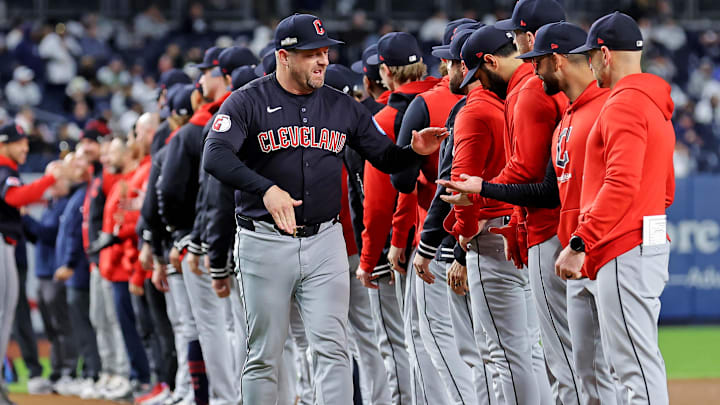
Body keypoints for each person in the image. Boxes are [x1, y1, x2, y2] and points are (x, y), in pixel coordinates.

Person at [202, 13, 447, 404]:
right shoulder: (247, 100)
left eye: (324, 52)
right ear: (284, 56)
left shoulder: (341, 106)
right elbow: (214, 155)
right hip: (264, 240)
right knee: (264, 354)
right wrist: (264, 189)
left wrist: (413, 153)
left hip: (325, 241)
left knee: (333, 348)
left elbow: (385, 158)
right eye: (311, 53)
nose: (322, 61)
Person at [443, 21, 620, 405]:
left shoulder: (528, 94)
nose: (535, 69)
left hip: (557, 233)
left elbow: (532, 179)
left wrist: (481, 195)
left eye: (539, 61)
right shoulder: (577, 103)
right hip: (571, 231)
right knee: (583, 360)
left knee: (560, 358)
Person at [558, 12, 675, 405]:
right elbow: (666, 191)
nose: (589, 65)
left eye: (590, 57)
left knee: (634, 371)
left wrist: (580, 241)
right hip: (645, 240)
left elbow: (621, 182)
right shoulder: (655, 102)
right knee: (633, 366)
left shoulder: (623, 103)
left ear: (604, 55)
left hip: (624, 246)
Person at [357, 30, 443, 405]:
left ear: (386, 72)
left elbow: (383, 199)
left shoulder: (387, 117)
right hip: (459, 232)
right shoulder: (454, 97)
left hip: (412, 243)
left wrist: (372, 254)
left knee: (406, 342)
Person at [0, 121, 67, 405]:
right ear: (4, 144)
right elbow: (15, 196)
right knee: (3, 315)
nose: (25, 146)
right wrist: (49, 179)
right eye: (19, 141)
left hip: (7, 243)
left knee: (6, 315)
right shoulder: (3, 167)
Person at [22, 161, 77, 394]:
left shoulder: (65, 204)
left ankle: (68, 370)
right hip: (43, 271)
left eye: (56, 178)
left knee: (61, 324)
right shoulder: (52, 205)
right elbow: (37, 237)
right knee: (50, 326)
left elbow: (47, 234)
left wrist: (24, 217)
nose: (52, 183)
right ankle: (56, 370)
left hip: (55, 272)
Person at [54, 152, 102, 397]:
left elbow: (76, 235)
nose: (73, 167)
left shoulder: (86, 191)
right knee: (84, 322)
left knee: (87, 323)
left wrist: (70, 263)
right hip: (79, 271)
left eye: (79, 161)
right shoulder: (78, 193)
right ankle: (91, 372)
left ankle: (94, 373)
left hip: (81, 270)